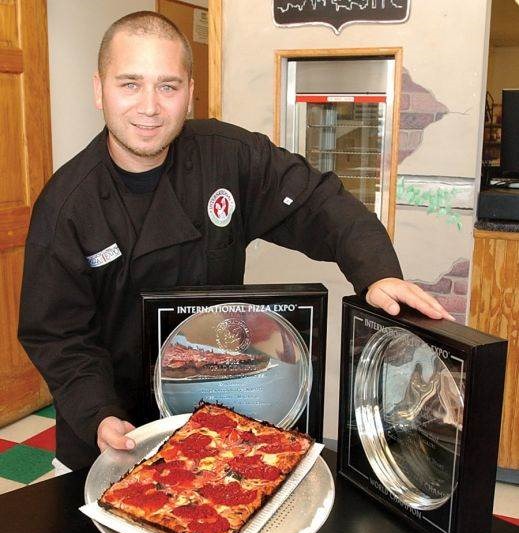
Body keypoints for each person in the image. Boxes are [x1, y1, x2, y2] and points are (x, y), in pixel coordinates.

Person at [18, 11, 452, 472]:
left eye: (168, 86)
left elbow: (319, 202)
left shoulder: (230, 157)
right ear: (99, 90)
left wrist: (376, 271)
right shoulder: (66, 205)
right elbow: (59, 335)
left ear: (189, 92)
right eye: (129, 84)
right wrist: (97, 414)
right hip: (110, 431)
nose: (149, 106)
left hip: (211, 416)